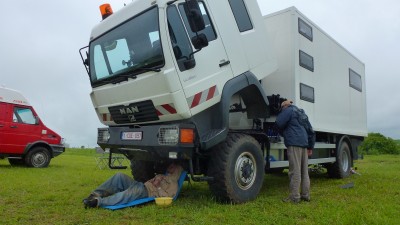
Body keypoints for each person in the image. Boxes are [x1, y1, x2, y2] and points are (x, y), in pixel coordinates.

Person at [83, 163, 184, 208]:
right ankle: (95, 194)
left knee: (128, 194)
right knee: (120, 176)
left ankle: (98, 202)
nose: (170, 167)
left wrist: (158, 186)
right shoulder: (162, 175)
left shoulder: (174, 184)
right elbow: (148, 182)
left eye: (173, 167)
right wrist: (154, 179)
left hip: (147, 192)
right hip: (141, 185)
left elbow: (169, 198)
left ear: (177, 170)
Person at [275, 100, 314, 203]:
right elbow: (311, 130)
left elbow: (278, 122)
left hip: (294, 143)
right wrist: (310, 146)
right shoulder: (302, 113)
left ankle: (295, 197)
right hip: (304, 144)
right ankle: (305, 195)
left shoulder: (288, 110)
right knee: (304, 171)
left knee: (294, 171)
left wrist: (283, 132)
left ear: (285, 106)